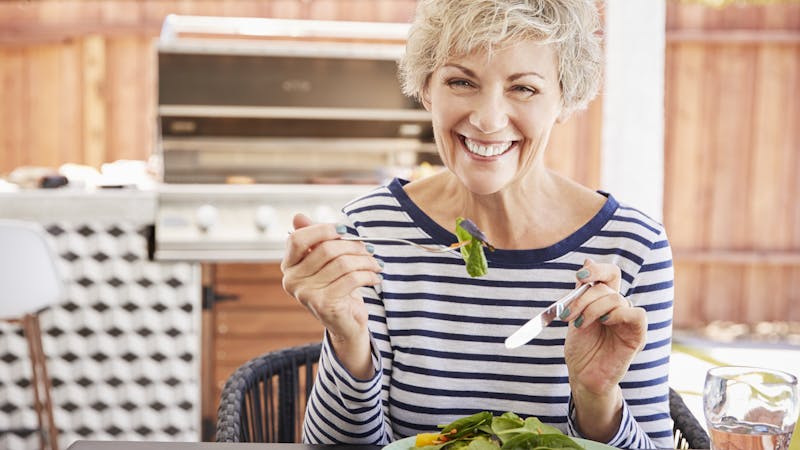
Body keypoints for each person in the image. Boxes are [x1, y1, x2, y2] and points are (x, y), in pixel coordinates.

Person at [281, 0, 674, 448]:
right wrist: (348, 341)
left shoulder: (632, 247)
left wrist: (596, 396)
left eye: (523, 88)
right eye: (461, 81)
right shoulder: (372, 230)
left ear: (564, 97)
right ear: (427, 88)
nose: (487, 119)